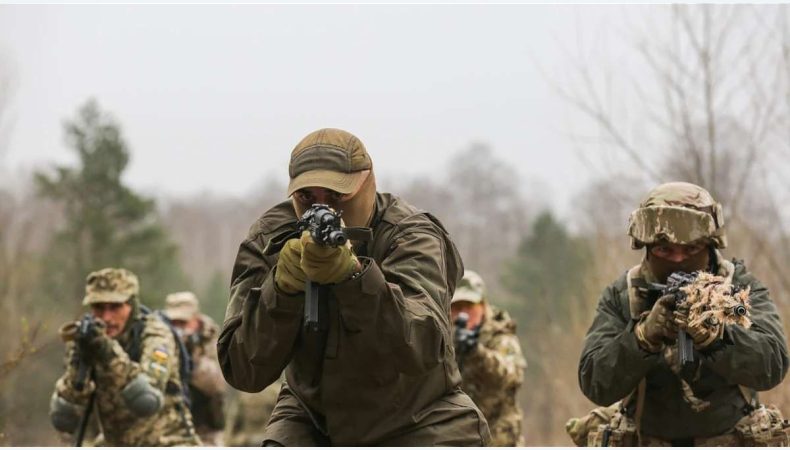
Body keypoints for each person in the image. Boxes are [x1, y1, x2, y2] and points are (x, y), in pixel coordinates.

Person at [217, 128, 491, 446]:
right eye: (307, 197)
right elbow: (242, 370)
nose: (322, 209)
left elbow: (423, 344)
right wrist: (281, 291)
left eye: (336, 196)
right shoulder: (270, 239)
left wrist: (355, 278)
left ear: (366, 185)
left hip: (420, 418)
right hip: (314, 420)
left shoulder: (410, 235)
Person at [575, 181, 790, 446]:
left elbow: (772, 365)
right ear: (647, 246)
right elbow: (595, 382)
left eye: (690, 249)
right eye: (665, 249)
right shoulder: (625, 295)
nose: (678, 260)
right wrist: (642, 338)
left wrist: (716, 338)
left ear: (709, 245)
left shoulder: (737, 289)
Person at [49, 268, 201, 446]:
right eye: (99, 307)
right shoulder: (89, 337)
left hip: (168, 442)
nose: (107, 317)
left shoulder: (156, 335)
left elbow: (146, 400)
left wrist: (108, 353)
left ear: (132, 305)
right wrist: (79, 361)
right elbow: (65, 416)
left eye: (115, 307)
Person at [450, 270, 527, 446]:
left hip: (498, 438)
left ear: (483, 306)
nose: (463, 314)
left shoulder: (500, 335)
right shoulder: (443, 338)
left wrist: (476, 353)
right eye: (457, 307)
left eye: (469, 306)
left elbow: (512, 376)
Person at [164, 291, 227, 446]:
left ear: (196, 320)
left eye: (183, 323)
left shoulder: (211, 340)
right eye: (173, 323)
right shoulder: (159, 339)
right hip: (168, 427)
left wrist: (192, 355)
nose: (178, 329)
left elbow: (216, 384)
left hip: (205, 429)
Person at [223, 378, 283, 446]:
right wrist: (240, 440)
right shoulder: (241, 397)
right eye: (249, 408)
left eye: (257, 406)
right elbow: (228, 436)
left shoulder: (274, 392)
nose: (253, 412)